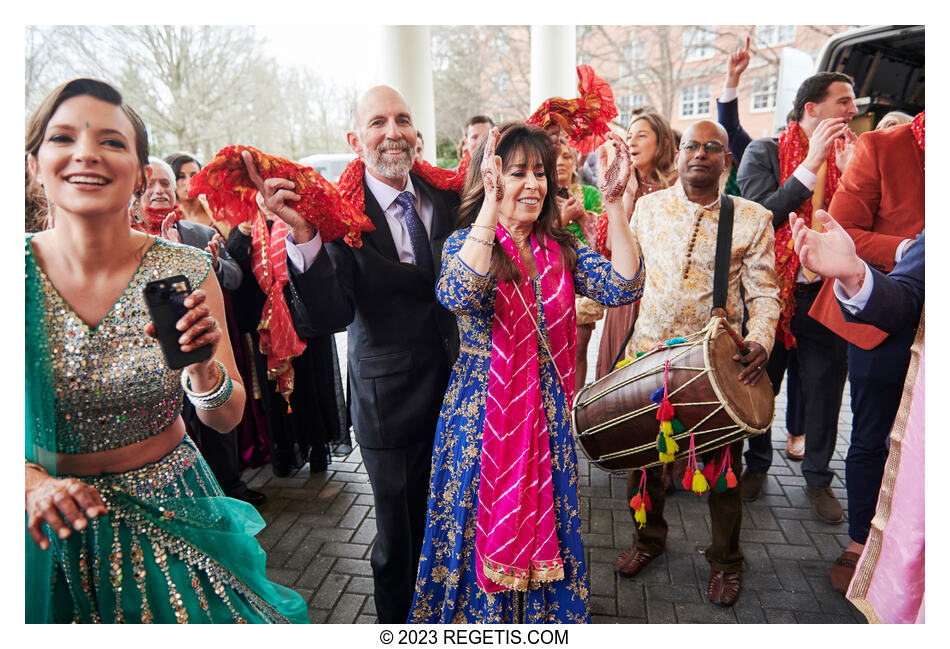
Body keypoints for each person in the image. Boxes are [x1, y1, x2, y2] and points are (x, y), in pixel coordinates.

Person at [24, 78, 307, 623]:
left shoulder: (185, 269)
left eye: (110, 141)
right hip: (43, 531)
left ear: (137, 171)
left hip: (172, 510)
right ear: (34, 164)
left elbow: (225, 420)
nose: (86, 153)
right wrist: (28, 482)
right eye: (63, 138)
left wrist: (202, 369)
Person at [409, 123, 643, 623]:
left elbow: (624, 286)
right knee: (474, 530)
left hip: (547, 415)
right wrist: (491, 215)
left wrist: (617, 205)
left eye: (541, 173)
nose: (534, 185)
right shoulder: (466, 243)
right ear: (490, 178)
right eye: (517, 173)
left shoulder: (561, 247)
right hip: (481, 419)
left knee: (547, 525)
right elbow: (457, 294)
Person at [246, 85, 461, 624]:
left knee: (460, 526)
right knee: (402, 543)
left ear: (417, 133)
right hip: (390, 406)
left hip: (466, 396)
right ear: (355, 139)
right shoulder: (337, 215)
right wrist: (302, 235)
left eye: (403, 119)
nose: (393, 132)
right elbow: (328, 317)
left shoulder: (451, 198)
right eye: (378, 122)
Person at [613, 120, 780, 608]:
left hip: (714, 367)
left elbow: (766, 295)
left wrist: (761, 339)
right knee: (642, 465)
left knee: (724, 472)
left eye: (713, 148)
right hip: (649, 361)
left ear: (726, 161)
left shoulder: (752, 218)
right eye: (692, 146)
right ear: (679, 153)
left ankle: (726, 562)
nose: (700, 154)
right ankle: (649, 541)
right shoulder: (647, 207)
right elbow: (622, 270)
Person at [806, 111, 924, 592]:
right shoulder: (882, 147)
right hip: (883, 313)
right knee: (874, 431)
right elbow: (843, 231)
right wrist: (911, 250)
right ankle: (859, 537)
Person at [791, 211, 924, 623]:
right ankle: (860, 541)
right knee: (870, 440)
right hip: (889, 349)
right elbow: (903, 298)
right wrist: (854, 274)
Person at [736, 72, 858, 521]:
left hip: (825, 297)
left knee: (826, 390)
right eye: (843, 101)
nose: (853, 110)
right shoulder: (763, 152)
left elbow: (860, 226)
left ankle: (819, 478)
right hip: (771, 294)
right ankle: (758, 463)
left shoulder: (856, 159)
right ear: (812, 109)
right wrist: (813, 163)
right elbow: (759, 215)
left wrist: (849, 173)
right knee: (760, 384)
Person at [132, 156, 267, 506]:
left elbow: (236, 277)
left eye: (166, 183)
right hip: (148, 369)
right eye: (150, 184)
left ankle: (230, 486)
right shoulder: (123, 245)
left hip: (204, 348)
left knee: (215, 415)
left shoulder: (200, 232)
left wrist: (215, 265)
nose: (160, 190)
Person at [594, 107, 676, 379]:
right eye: (629, 136)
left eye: (642, 135)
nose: (632, 142)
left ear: (663, 142)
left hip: (662, 293)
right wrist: (626, 195)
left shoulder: (677, 186)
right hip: (628, 292)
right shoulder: (621, 182)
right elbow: (608, 244)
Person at [555, 137, 604, 390]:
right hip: (551, 276)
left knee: (579, 348)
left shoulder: (591, 194)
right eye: (556, 156)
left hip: (582, 280)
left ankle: (573, 408)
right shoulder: (538, 194)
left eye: (566, 156)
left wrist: (583, 215)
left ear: (575, 161)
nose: (560, 162)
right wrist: (563, 218)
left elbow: (600, 238)